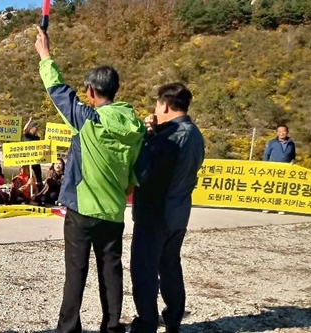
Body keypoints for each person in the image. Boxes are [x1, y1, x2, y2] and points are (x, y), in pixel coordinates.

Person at [35, 26, 146, 333]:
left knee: (76, 272)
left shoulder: (89, 120)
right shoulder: (135, 127)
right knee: (111, 272)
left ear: (92, 92)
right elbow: (135, 171)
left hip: (82, 210)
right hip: (113, 211)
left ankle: (68, 328)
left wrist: (45, 55)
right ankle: (111, 327)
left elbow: (58, 91)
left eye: (86, 91)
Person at [129, 83, 205, 333]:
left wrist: (146, 140)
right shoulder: (194, 134)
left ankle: (146, 322)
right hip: (179, 213)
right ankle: (173, 317)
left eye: (157, 105)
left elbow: (146, 173)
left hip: (156, 213)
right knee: (170, 266)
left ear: (165, 105)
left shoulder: (170, 137)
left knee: (145, 269)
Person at [23, 117, 44, 186]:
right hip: (26, 157)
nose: (37, 129)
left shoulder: (37, 137)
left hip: (35, 157)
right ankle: (25, 185)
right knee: (25, 172)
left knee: (38, 172)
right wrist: (29, 121)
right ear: (32, 128)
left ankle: (39, 184)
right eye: (36, 127)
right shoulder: (27, 135)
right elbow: (24, 129)